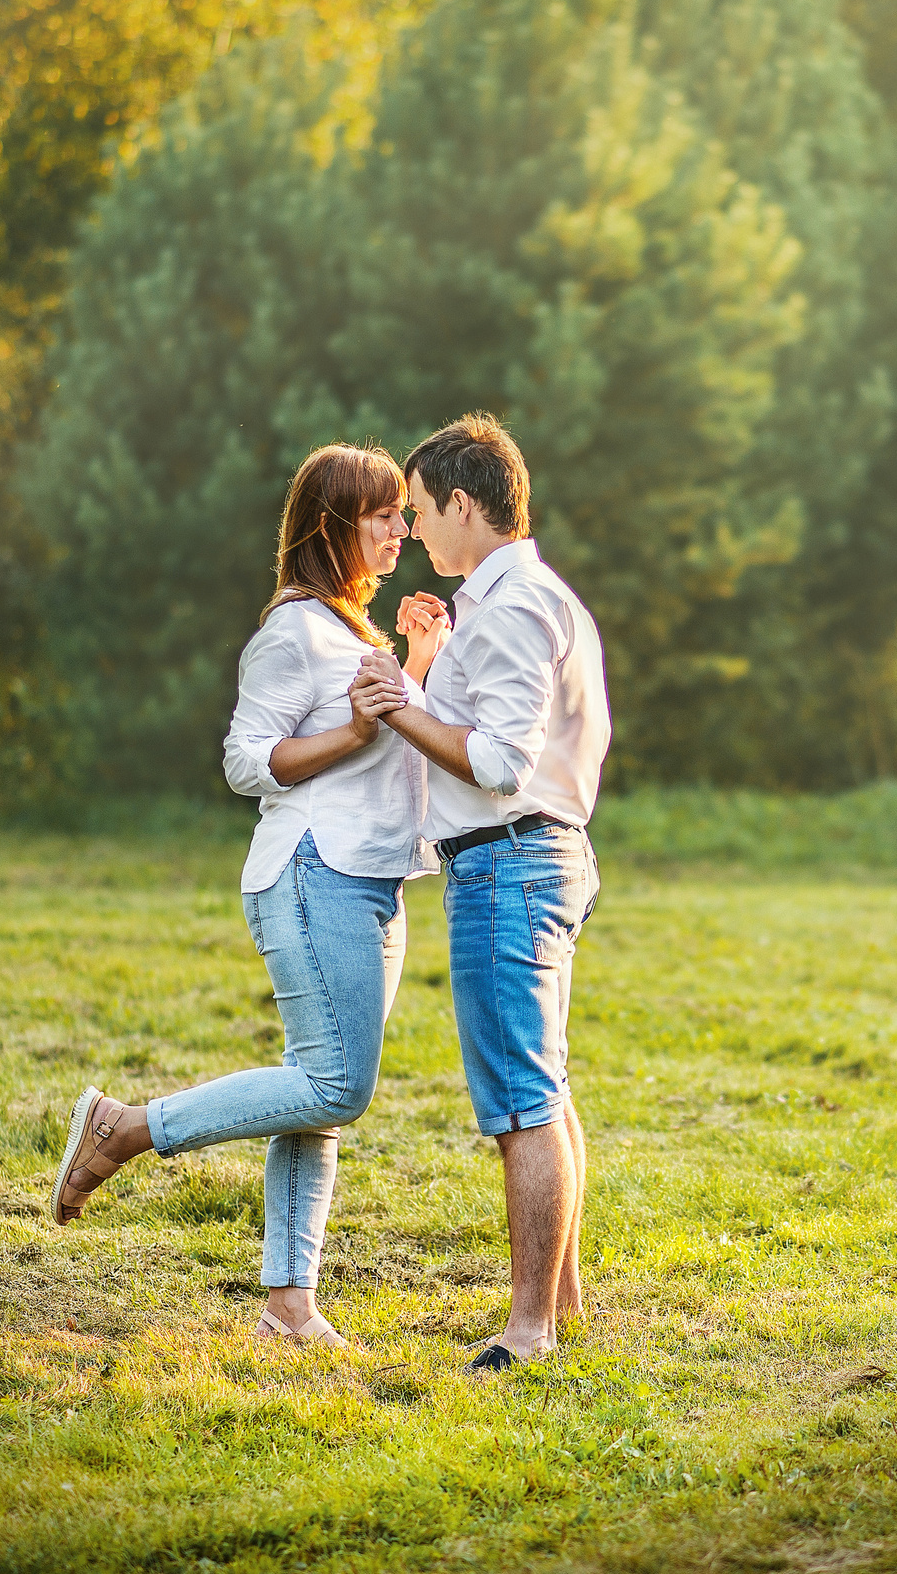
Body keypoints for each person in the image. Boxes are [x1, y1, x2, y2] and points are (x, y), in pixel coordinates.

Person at [46, 443, 450, 1351]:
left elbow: (394, 744)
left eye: (402, 513)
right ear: (333, 524)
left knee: (315, 1093)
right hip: (316, 872)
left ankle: (287, 1307)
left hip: (374, 882)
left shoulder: (357, 633)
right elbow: (243, 760)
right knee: (336, 1084)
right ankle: (125, 1128)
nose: (401, 528)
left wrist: (417, 659)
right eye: (382, 514)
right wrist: (351, 729)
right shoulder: (296, 631)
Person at [351, 412, 610, 1371]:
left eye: (419, 510)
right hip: (541, 854)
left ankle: (529, 1327)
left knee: (520, 1103)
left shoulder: (513, 605)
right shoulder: (537, 600)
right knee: (544, 1084)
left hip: (509, 858)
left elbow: (500, 762)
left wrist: (400, 701)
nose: (411, 529)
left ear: (465, 502)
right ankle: (565, 1308)